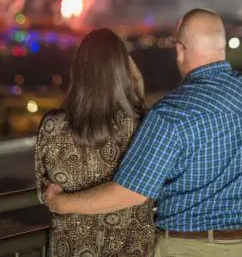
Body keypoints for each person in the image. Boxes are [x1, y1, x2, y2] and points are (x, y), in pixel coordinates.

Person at [45, 9, 242, 257]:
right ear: (221, 46)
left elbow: (131, 192)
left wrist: (62, 202)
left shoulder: (171, 112)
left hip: (188, 249)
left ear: (180, 49)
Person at [35, 28, 156, 256]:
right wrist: (137, 94)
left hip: (70, 249)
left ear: (79, 69)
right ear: (124, 72)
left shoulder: (53, 125)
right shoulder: (146, 125)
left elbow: (45, 189)